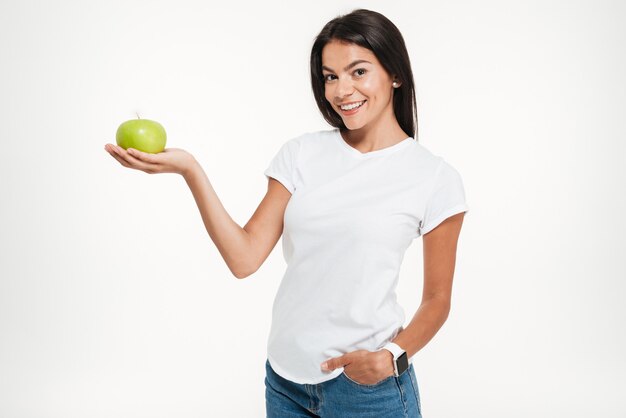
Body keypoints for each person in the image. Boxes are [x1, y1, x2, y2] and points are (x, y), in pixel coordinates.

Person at [104, 8, 468, 417]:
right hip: (285, 382)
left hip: (368, 391)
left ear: (395, 74)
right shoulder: (301, 154)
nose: (341, 90)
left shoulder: (433, 177)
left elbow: (437, 300)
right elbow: (244, 259)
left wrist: (392, 356)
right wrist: (190, 169)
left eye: (358, 72)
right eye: (330, 76)